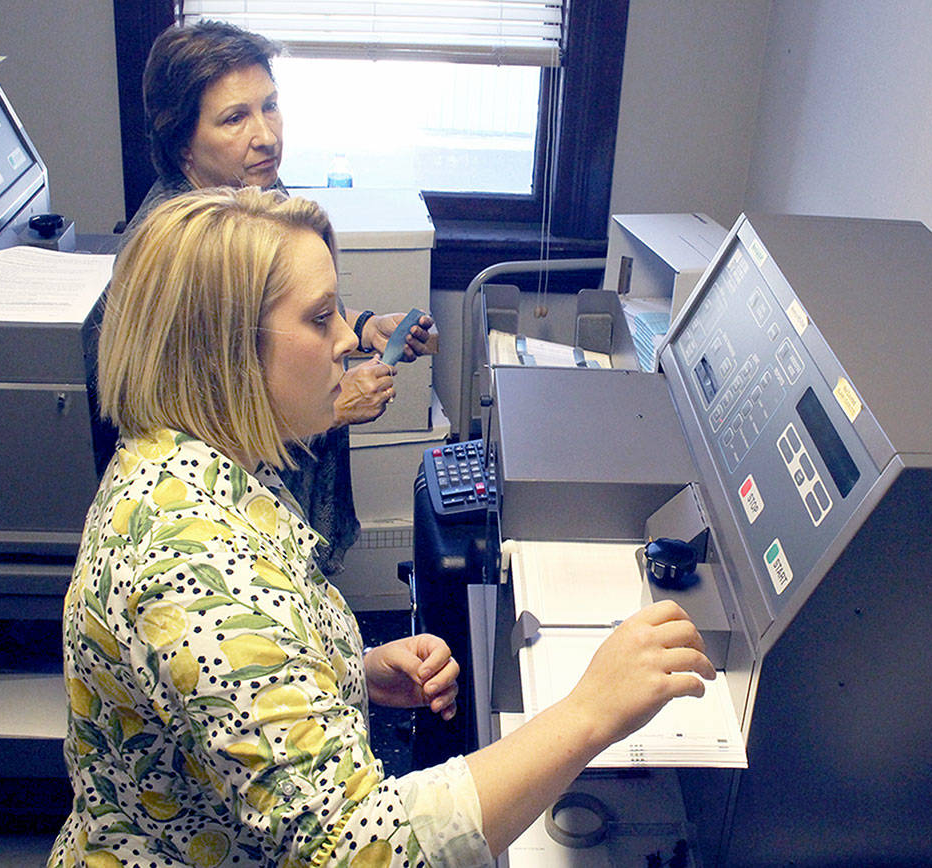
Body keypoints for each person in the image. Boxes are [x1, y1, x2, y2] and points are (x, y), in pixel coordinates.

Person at [50, 186, 713, 867]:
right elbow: (361, 849)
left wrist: (347, 676)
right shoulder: (191, 565)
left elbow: (216, 684)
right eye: (317, 319)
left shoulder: (192, 461)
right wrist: (590, 712)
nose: (345, 340)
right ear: (223, 352)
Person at [82, 19, 433, 574]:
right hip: (230, 547)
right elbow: (181, 446)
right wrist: (333, 408)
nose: (266, 135)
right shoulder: (175, 258)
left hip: (291, 517)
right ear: (182, 144)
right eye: (234, 118)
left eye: (270, 106)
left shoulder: (254, 190)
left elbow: (270, 313)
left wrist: (362, 325)